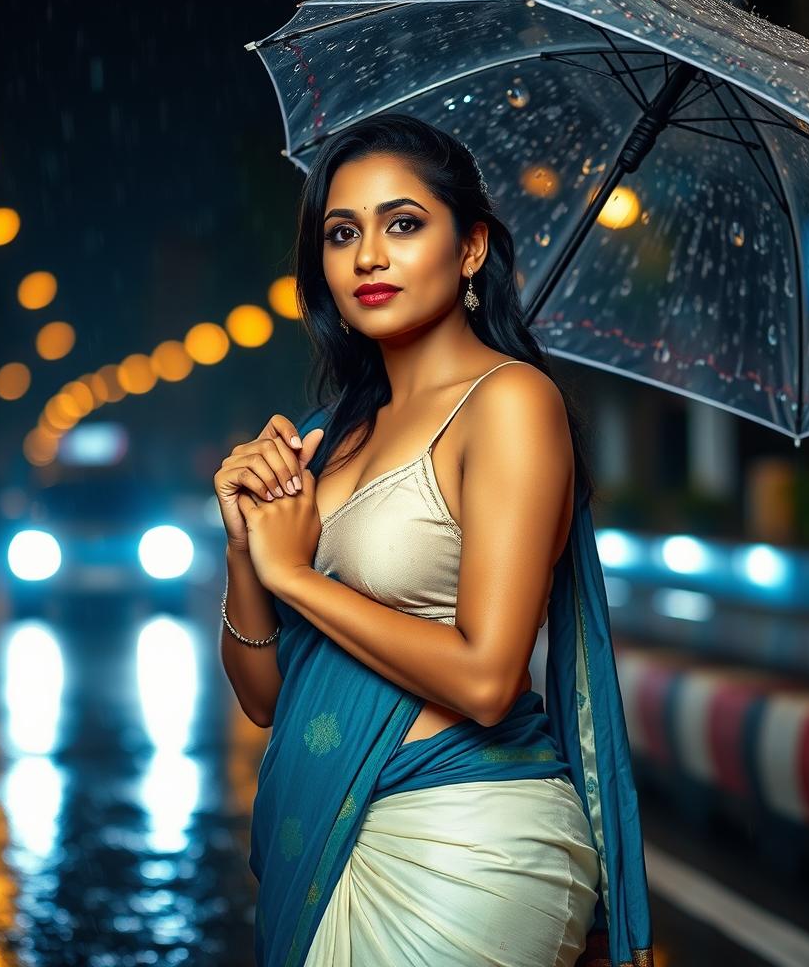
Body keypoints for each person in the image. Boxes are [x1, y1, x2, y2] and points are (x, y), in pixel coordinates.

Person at [214, 113, 654, 967]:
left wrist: (296, 577)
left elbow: (487, 680)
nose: (368, 256)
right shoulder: (326, 436)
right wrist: (243, 549)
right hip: (331, 835)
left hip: (468, 843)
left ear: (472, 248)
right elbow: (267, 698)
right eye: (343, 233)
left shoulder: (511, 403)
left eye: (403, 224)